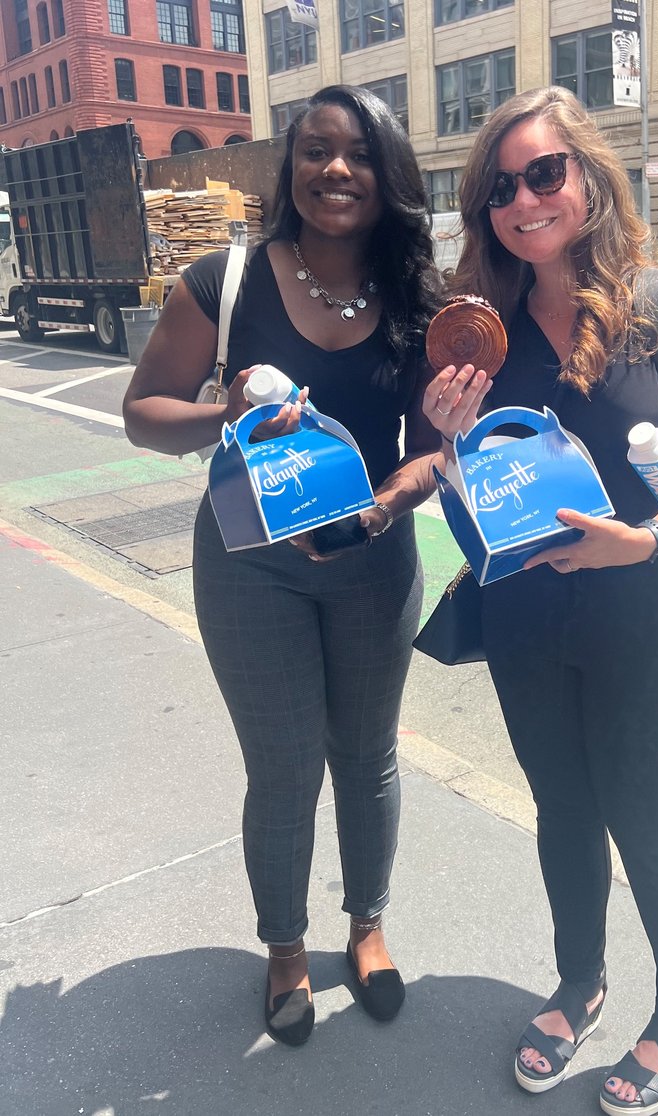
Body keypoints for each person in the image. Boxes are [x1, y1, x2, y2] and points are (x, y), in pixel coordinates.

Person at [422, 87, 658, 1114]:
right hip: (532, 615)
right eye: (500, 187)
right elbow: (481, 487)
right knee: (563, 811)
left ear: (586, 179)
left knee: (646, 826)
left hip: (657, 608)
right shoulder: (482, 334)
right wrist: (448, 445)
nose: (524, 200)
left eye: (544, 173)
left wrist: (649, 536)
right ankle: (580, 981)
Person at [123, 85, 443, 1045]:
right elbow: (144, 414)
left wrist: (382, 510)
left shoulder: (416, 299)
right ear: (288, 167)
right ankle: (288, 950)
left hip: (372, 560)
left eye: (356, 155)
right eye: (314, 151)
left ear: (388, 178)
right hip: (247, 565)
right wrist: (229, 413)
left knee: (368, 756)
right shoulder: (224, 283)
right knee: (285, 764)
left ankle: (369, 928)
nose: (334, 170)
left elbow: (434, 448)